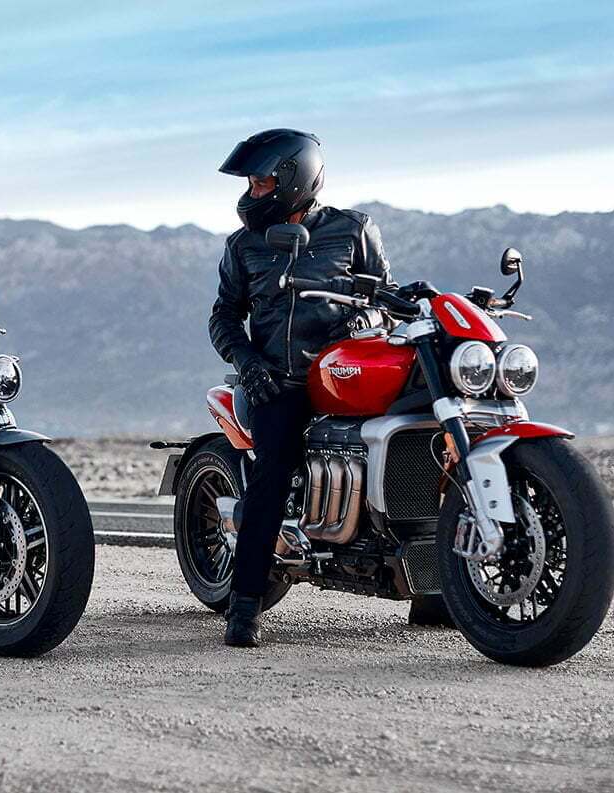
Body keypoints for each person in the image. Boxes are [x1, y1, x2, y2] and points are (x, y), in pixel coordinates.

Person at [208, 129, 392, 648]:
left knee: (413, 443)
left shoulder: (352, 230)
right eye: (251, 181)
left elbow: (384, 295)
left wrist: (373, 320)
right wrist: (247, 363)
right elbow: (223, 317)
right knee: (272, 473)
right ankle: (245, 607)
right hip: (279, 381)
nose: (252, 191)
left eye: (262, 181)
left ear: (294, 179)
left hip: (343, 374)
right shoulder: (243, 246)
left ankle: (432, 590)